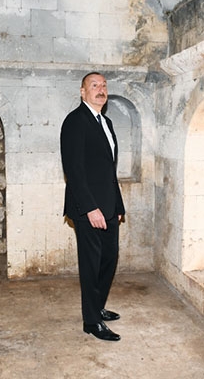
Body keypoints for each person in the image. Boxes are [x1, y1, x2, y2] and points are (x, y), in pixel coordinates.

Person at [60, 72, 125, 341]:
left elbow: (109, 171)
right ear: (83, 92)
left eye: (104, 85)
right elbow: (74, 170)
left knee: (109, 257)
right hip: (87, 208)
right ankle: (91, 321)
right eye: (94, 85)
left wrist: (118, 205)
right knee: (91, 264)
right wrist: (90, 208)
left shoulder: (106, 122)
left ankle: (97, 307)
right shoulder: (75, 121)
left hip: (109, 206)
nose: (101, 89)